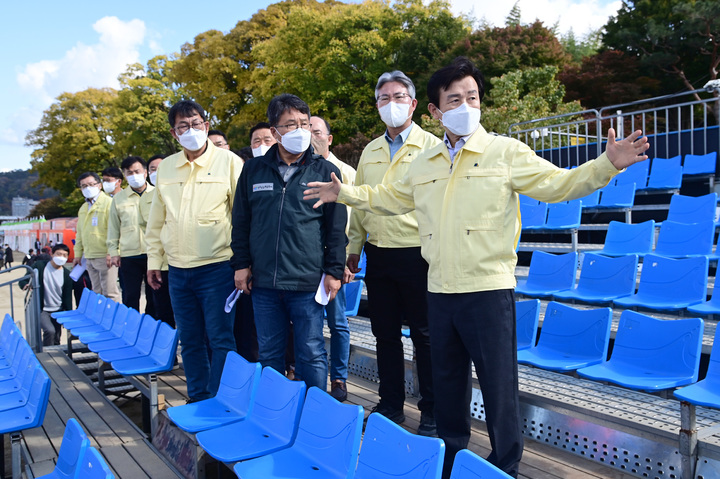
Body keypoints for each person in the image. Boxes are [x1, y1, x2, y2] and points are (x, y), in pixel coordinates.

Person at [303, 56, 650, 478]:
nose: (465, 104)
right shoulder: (424, 163)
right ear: (435, 110)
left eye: (472, 96)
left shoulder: (504, 152)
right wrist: (347, 194)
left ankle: (506, 463)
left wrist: (605, 164)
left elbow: (560, 185)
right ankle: (452, 455)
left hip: (487, 288)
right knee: (448, 382)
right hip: (439, 287)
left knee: (498, 385)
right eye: (454, 98)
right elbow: (387, 198)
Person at [231, 93, 347, 392]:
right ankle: (275, 412)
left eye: (304, 124)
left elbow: (336, 227)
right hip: (264, 281)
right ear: (275, 131)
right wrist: (241, 265)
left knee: (311, 351)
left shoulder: (325, 171)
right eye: (291, 124)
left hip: (307, 281)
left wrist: (334, 272)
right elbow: (242, 222)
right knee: (269, 352)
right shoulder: (253, 170)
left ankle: (314, 415)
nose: (300, 131)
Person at [352, 71, 441, 434]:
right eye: (384, 98)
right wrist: (352, 248)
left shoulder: (433, 146)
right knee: (384, 334)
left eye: (399, 96)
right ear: (377, 105)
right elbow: (358, 203)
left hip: (419, 254)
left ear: (414, 103)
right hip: (379, 253)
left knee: (425, 336)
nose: (392, 104)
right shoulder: (369, 151)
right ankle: (391, 404)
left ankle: (432, 409)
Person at [146, 100, 242, 401]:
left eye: (196, 123)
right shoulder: (167, 169)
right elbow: (157, 220)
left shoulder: (229, 163)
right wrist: (154, 261)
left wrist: (244, 264)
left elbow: (243, 217)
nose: (191, 130)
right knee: (189, 339)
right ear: (174, 134)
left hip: (218, 268)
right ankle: (198, 395)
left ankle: (221, 399)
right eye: (183, 126)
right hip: (177, 270)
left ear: (207, 125)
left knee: (220, 338)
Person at [310, 115, 356, 402]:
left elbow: (354, 216)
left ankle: (338, 378)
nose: (312, 136)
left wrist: (344, 262)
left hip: (335, 260)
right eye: (307, 131)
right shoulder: (300, 170)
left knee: (338, 323)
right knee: (309, 324)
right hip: (307, 261)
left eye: (317, 132)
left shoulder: (345, 171)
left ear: (329, 138)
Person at [107, 156, 155, 315]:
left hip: (153, 254)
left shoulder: (157, 193)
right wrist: (114, 252)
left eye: (137, 171)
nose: (134, 175)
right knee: (130, 296)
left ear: (145, 172)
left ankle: (151, 329)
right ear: (124, 176)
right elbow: (113, 227)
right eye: (129, 173)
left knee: (154, 296)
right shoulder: (119, 198)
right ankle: (132, 330)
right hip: (129, 254)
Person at [72, 172, 121, 302]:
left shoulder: (109, 203)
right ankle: (102, 319)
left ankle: (114, 320)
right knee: (96, 292)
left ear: (99, 185)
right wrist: (78, 254)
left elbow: (115, 230)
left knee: (110, 292)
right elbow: (80, 233)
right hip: (89, 256)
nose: (87, 188)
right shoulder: (83, 207)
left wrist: (112, 252)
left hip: (105, 255)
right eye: (83, 186)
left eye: (91, 184)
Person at [140, 154, 174, 327]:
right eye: (153, 169)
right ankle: (168, 354)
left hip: (179, 262)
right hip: (159, 264)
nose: (157, 172)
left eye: (161, 168)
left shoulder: (177, 192)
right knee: (162, 312)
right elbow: (150, 231)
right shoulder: (145, 198)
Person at [20, 243, 73, 346]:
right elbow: (25, 278)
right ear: (52, 254)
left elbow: (67, 296)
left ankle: (56, 355)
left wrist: (68, 313)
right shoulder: (40, 266)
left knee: (57, 337)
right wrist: (25, 284)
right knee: (50, 331)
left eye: (64, 255)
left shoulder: (66, 274)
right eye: (58, 254)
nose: (61, 257)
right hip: (43, 309)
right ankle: (47, 354)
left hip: (58, 309)